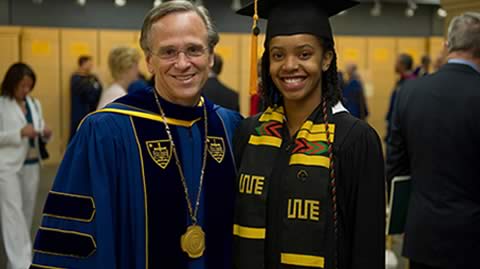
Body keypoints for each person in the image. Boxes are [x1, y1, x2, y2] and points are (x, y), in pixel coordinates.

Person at [31, 1, 242, 268]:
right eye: (168, 52)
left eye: (193, 50)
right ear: (149, 61)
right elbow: (73, 242)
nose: (182, 63)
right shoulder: (106, 132)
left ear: (210, 57)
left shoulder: (230, 126)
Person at [233, 0, 385, 268]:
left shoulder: (354, 140)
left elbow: (367, 247)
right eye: (278, 55)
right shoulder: (249, 133)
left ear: (326, 59)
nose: (289, 66)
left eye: (304, 54)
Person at [386, 12, 480, 269]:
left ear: (446, 46)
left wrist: (401, 219)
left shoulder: (409, 93)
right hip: (473, 240)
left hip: (422, 235)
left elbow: (395, 167)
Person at [0, 62, 52, 269]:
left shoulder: (34, 103)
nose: (26, 90)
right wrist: (18, 133)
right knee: (13, 215)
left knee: (27, 213)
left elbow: (38, 128)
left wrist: (46, 133)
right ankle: (20, 263)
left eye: (29, 85)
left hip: (31, 163)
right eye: (22, 85)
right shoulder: (2, 104)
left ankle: (19, 257)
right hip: (7, 167)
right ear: (11, 84)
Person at [70, 55, 102, 140]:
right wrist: (93, 87)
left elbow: (99, 89)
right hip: (79, 111)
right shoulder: (76, 78)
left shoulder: (93, 77)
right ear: (83, 64)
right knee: (78, 135)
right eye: (89, 63)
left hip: (92, 111)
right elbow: (86, 92)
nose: (91, 66)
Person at [385, 53, 416, 142]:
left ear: (402, 65)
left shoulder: (411, 82)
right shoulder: (401, 81)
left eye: (396, 62)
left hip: (402, 130)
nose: (394, 65)